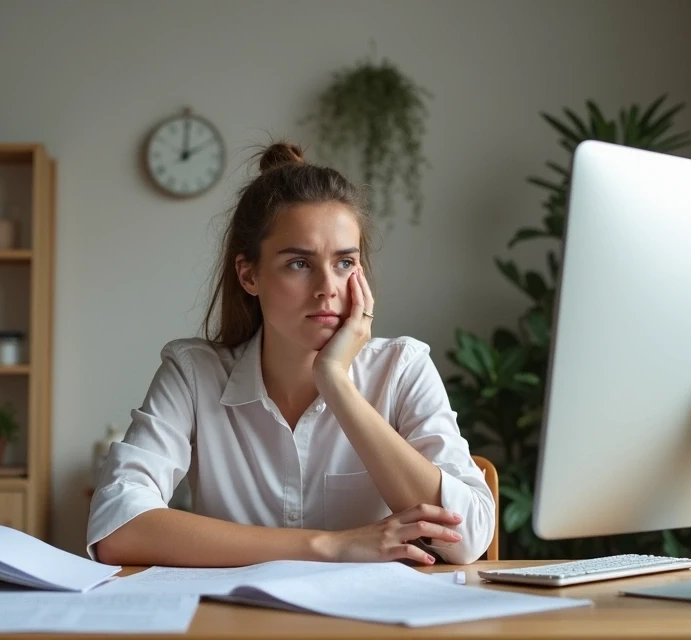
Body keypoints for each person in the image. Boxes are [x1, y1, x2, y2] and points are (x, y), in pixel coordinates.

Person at [87, 141, 494, 567]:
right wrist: (330, 545)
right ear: (249, 275)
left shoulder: (402, 367)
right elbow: (117, 526)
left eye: (344, 263)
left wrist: (336, 383)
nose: (328, 288)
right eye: (299, 263)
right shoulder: (194, 372)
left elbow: (467, 539)